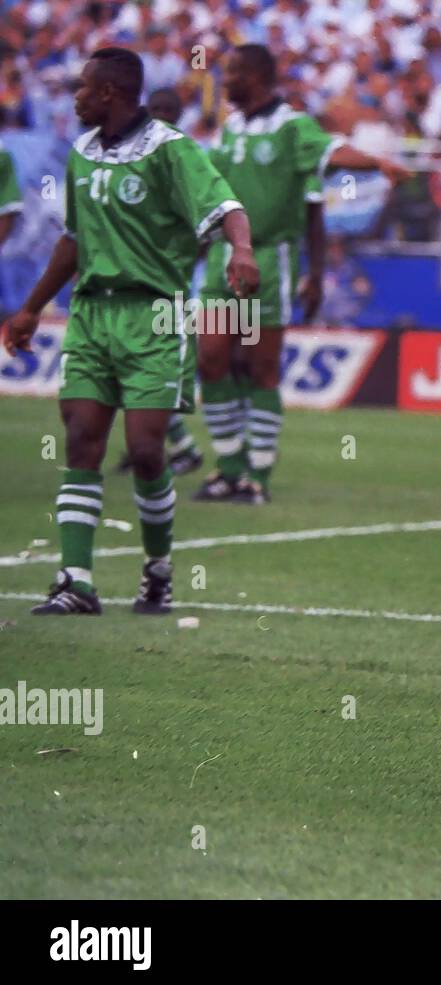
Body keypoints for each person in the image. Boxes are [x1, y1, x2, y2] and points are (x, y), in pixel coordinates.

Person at [0, 47, 259, 616]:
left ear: (110, 93)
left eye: (84, 89)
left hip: (154, 318)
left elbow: (226, 205)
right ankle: (76, 581)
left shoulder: (170, 149)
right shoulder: (83, 152)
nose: (75, 98)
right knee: (81, 440)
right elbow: (73, 240)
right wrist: (31, 308)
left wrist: (241, 248)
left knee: (145, 451)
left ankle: (158, 570)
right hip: (92, 316)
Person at [192, 44, 408, 506]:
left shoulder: (292, 127)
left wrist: (378, 163)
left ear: (256, 76)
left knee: (261, 367)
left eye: (231, 73)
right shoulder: (229, 129)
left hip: (270, 260)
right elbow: (208, 193)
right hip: (221, 259)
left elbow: (333, 155)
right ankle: (228, 468)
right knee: (210, 358)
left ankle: (257, 476)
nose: (223, 81)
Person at [113, 87, 204, 478]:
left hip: (170, 285)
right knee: (128, 370)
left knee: (149, 372)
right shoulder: (132, 156)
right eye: (158, 110)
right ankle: (158, 445)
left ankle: (174, 447)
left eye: (171, 110)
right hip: (132, 281)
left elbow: (204, 224)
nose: (164, 115)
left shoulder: (187, 159)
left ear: (180, 115)